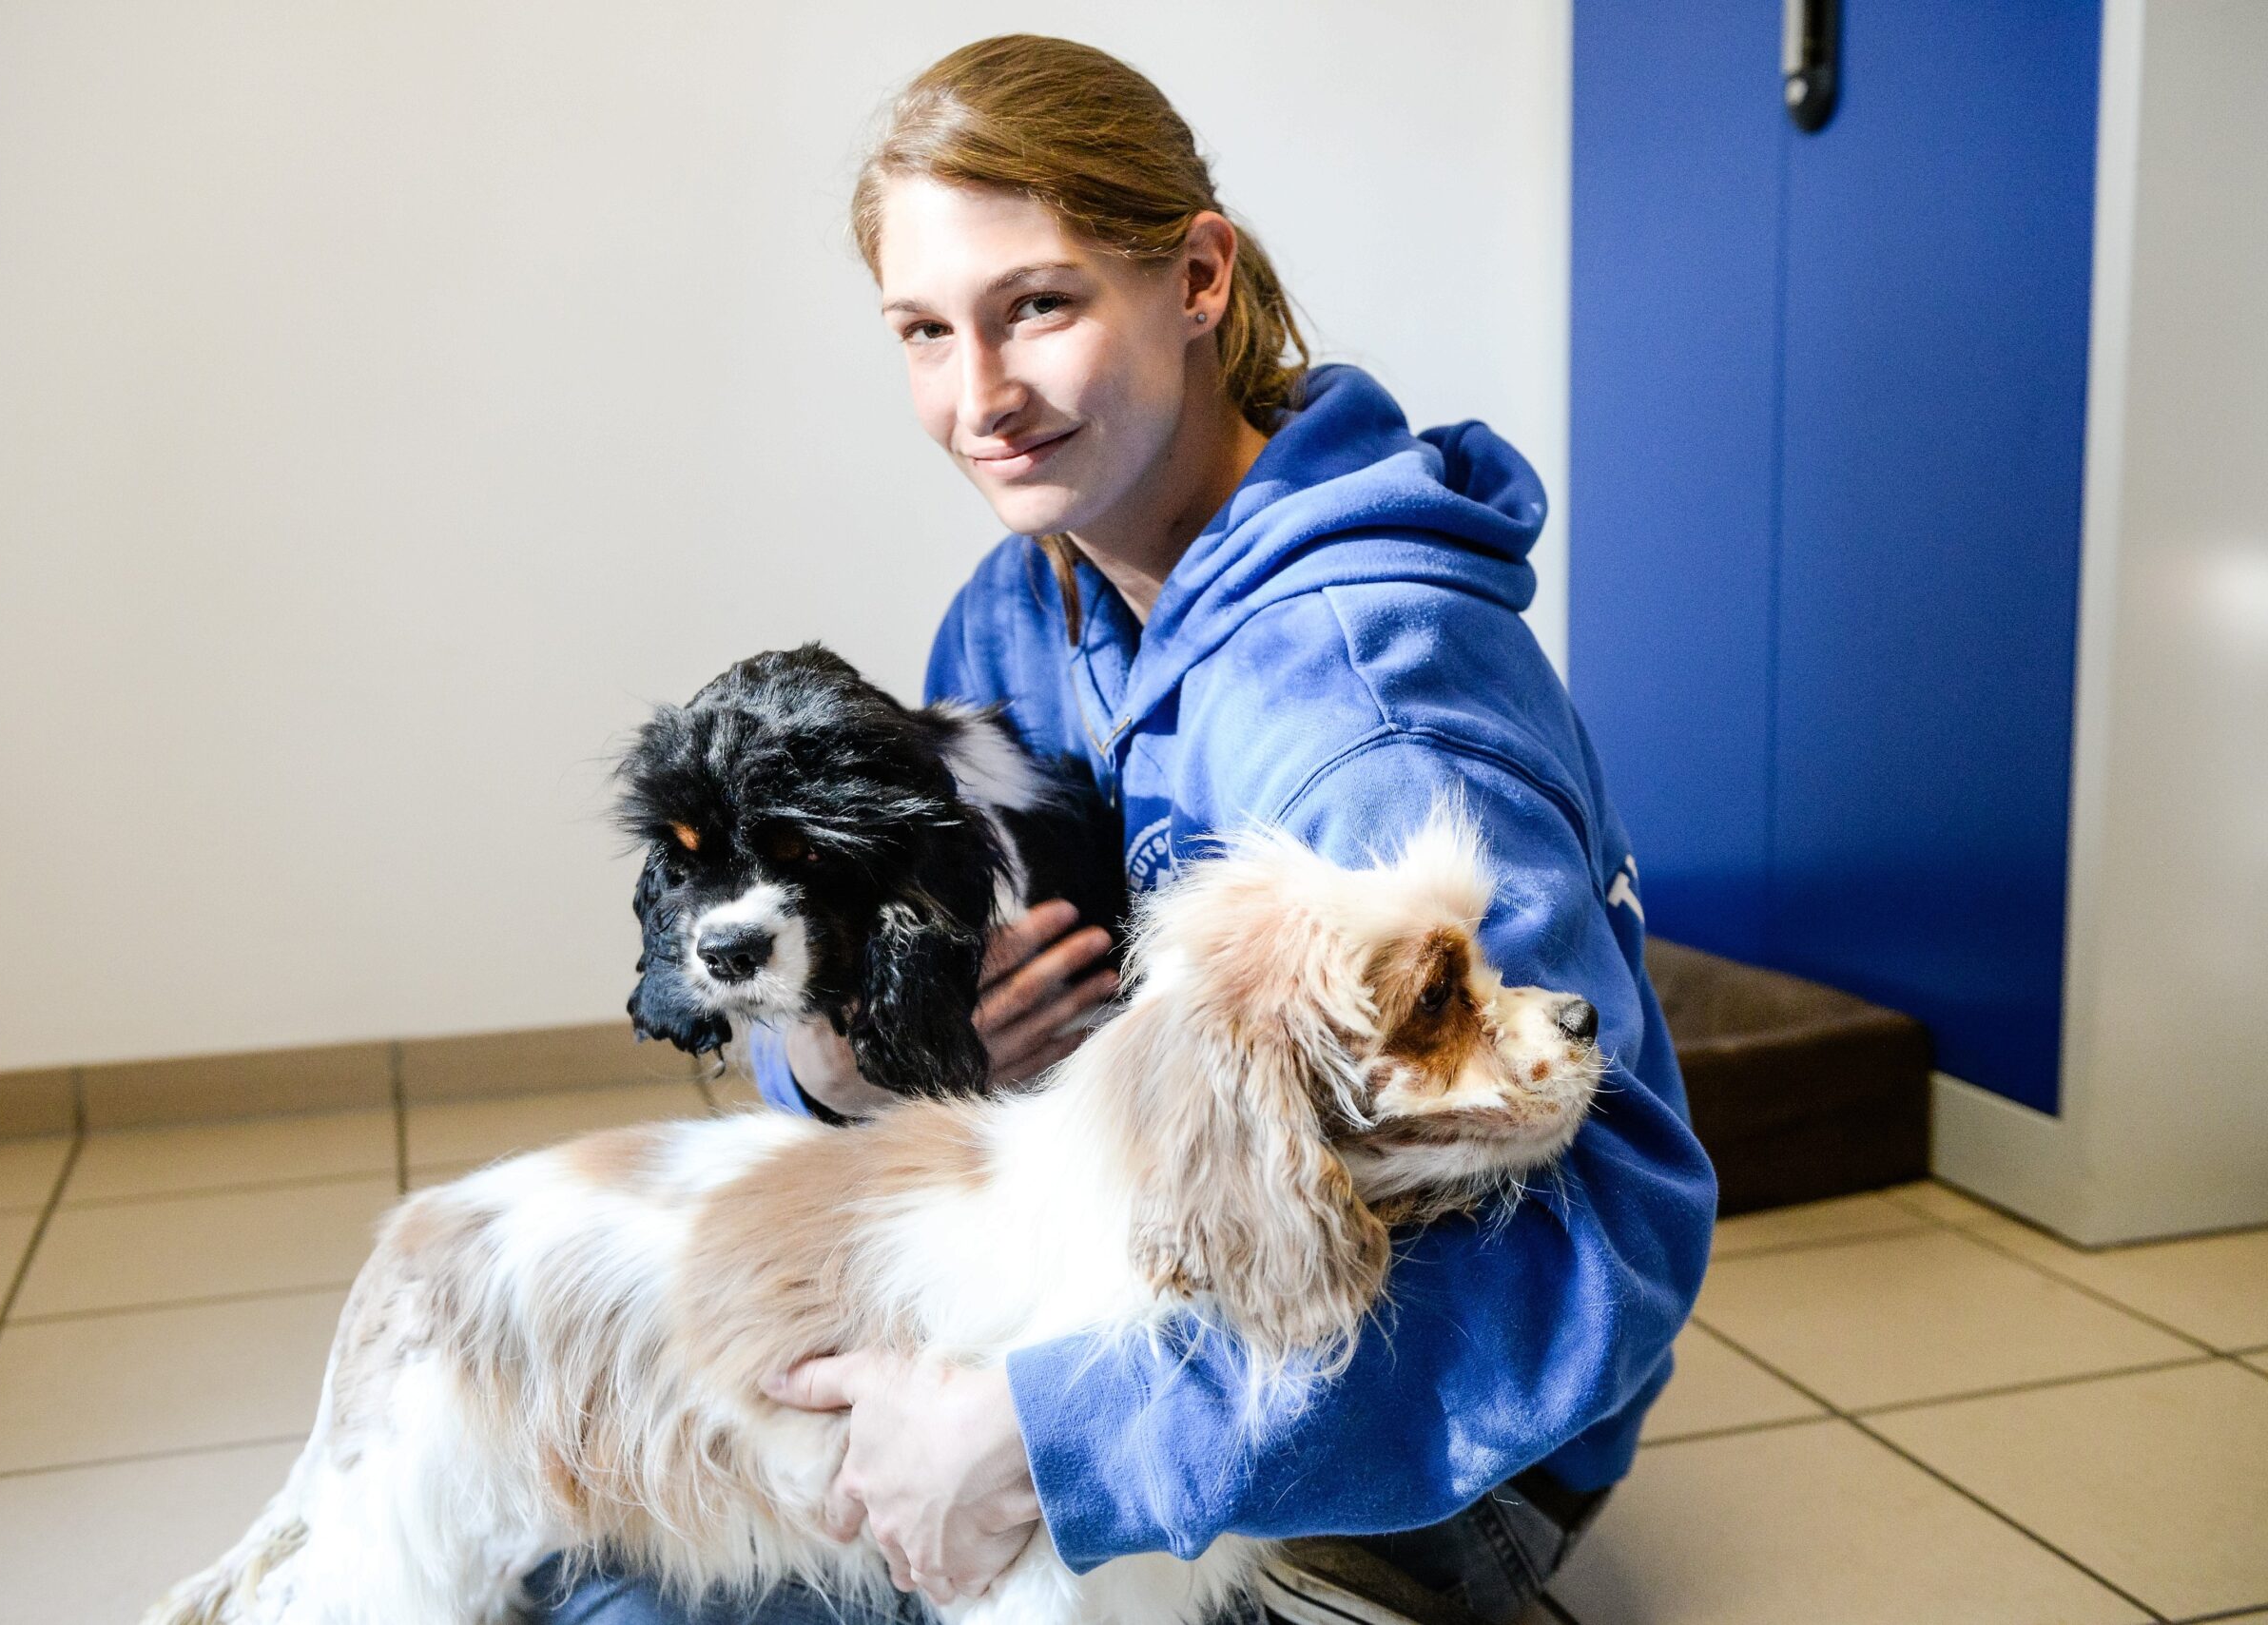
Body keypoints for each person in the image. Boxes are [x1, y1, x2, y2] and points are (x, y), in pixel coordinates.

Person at [533, 33, 1714, 1625]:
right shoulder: (1024, 611)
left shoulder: (1367, 715)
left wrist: (1042, 1436)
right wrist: (835, 1067)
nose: (981, 400)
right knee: (568, 1514)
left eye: (1038, 306)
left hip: (1418, 1461)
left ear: (1200, 277)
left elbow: (1611, 1238)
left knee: (629, 1610)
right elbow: (900, 1026)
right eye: (924, 332)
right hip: (1115, 1289)